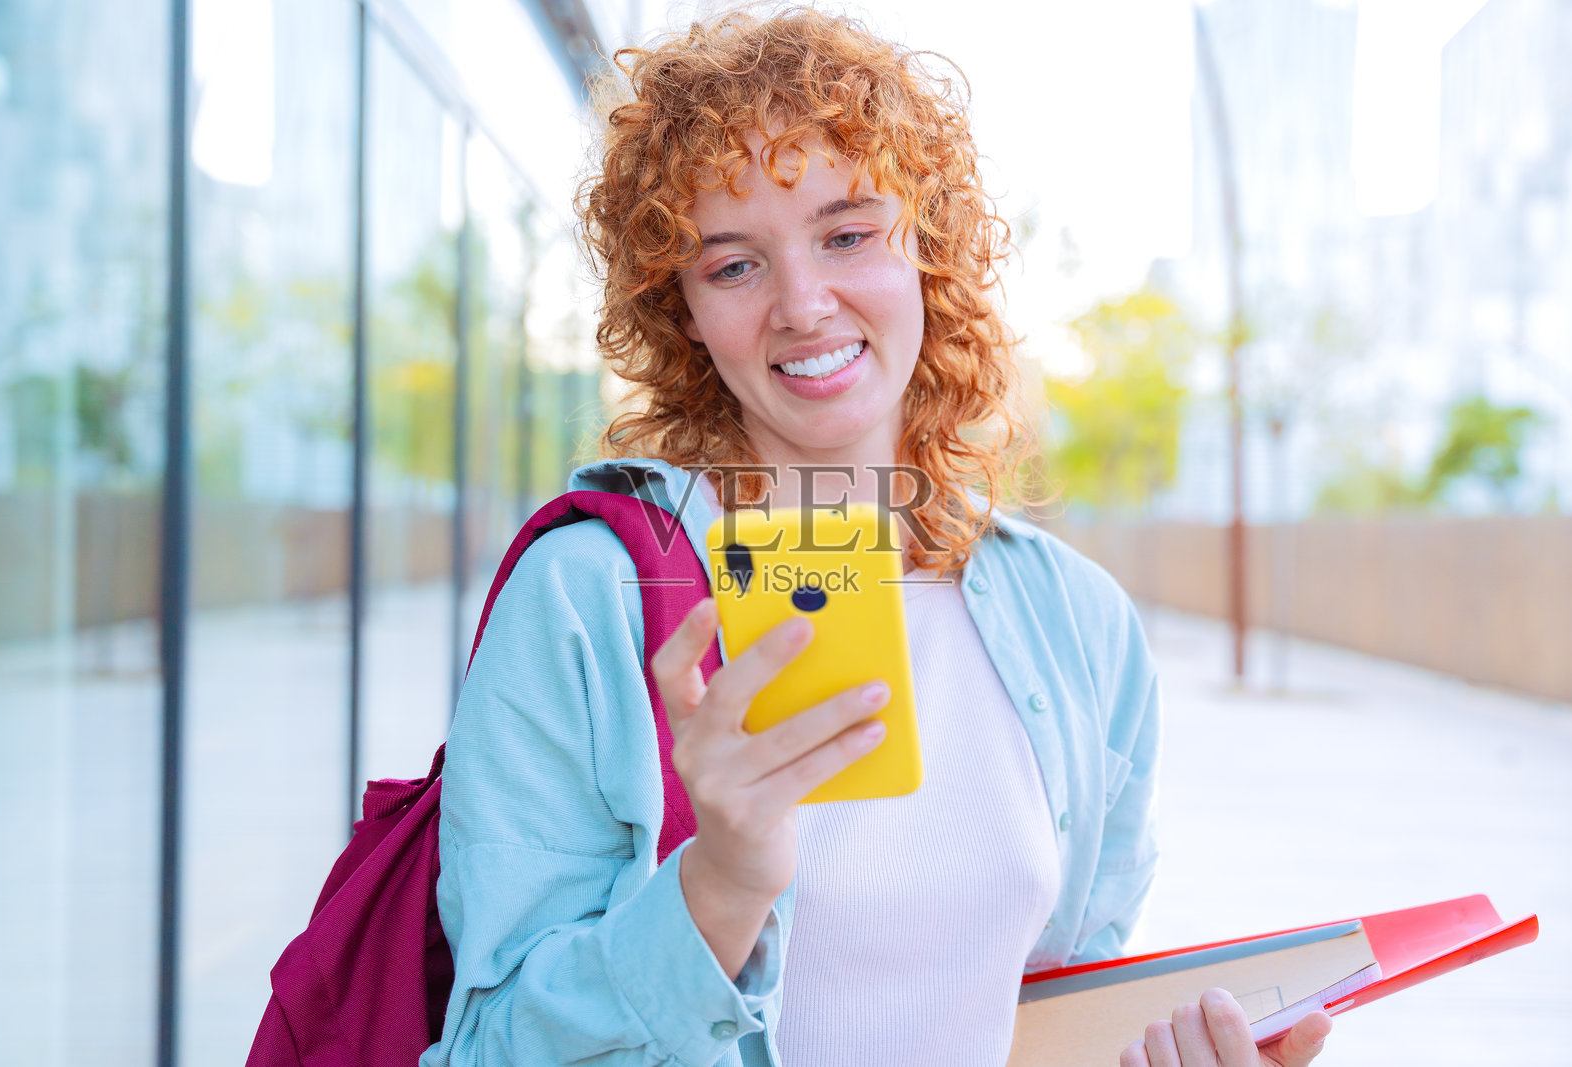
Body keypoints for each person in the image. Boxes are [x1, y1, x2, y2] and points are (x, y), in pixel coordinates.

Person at [423, 8, 1333, 1066]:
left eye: (848, 234)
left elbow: (1047, 1023)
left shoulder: (1079, 624)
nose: (804, 304)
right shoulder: (589, 596)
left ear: (929, 253)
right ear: (682, 314)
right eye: (732, 265)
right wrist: (717, 885)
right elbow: (487, 1046)